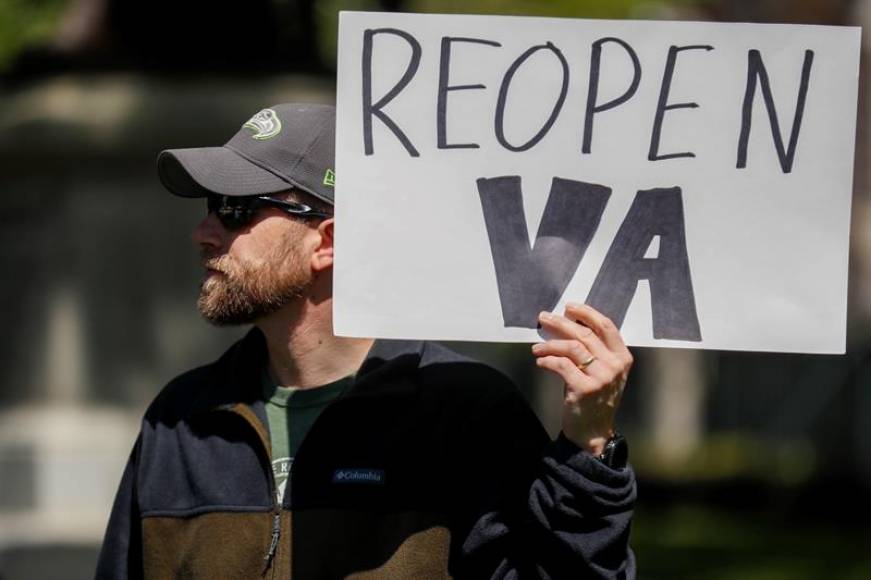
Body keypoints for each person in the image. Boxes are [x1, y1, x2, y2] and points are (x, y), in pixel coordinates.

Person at [95, 103, 637, 579]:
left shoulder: (465, 412)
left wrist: (588, 447)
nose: (205, 232)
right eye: (210, 206)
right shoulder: (179, 420)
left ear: (326, 242)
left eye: (235, 208)